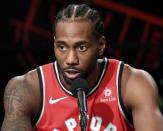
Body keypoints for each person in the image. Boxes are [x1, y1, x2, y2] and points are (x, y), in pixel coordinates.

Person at [1, 4, 163, 131]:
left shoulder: (132, 84)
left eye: (82, 47)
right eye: (62, 47)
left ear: (100, 46)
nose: (71, 60)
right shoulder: (26, 88)